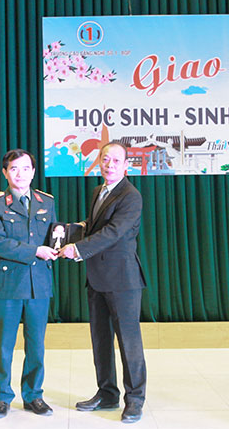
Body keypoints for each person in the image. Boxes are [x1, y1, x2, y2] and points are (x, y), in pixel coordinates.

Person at [58, 140, 147, 424]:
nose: (109, 165)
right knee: (101, 340)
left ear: (126, 165)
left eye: (116, 161)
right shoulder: (98, 191)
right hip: (96, 279)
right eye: (105, 159)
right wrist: (72, 231)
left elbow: (113, 232)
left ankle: (135, 400)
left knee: (129, 343)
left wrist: (77, 249)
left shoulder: (131, 196)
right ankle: (107, 394)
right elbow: (94, 225)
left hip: (123, 281)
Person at [0, 149, 58, 419]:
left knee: (36, 344)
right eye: (14, 169)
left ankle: (33, 395)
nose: (20, 174)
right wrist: (36, 251)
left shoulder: (46, 201)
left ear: (33, 172)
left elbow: (53, 235)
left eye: (26, 168)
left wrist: (61, 245)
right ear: (5, 172)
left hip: (39, 283)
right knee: (4, 345)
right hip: (8, 283)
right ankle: (2, 397)